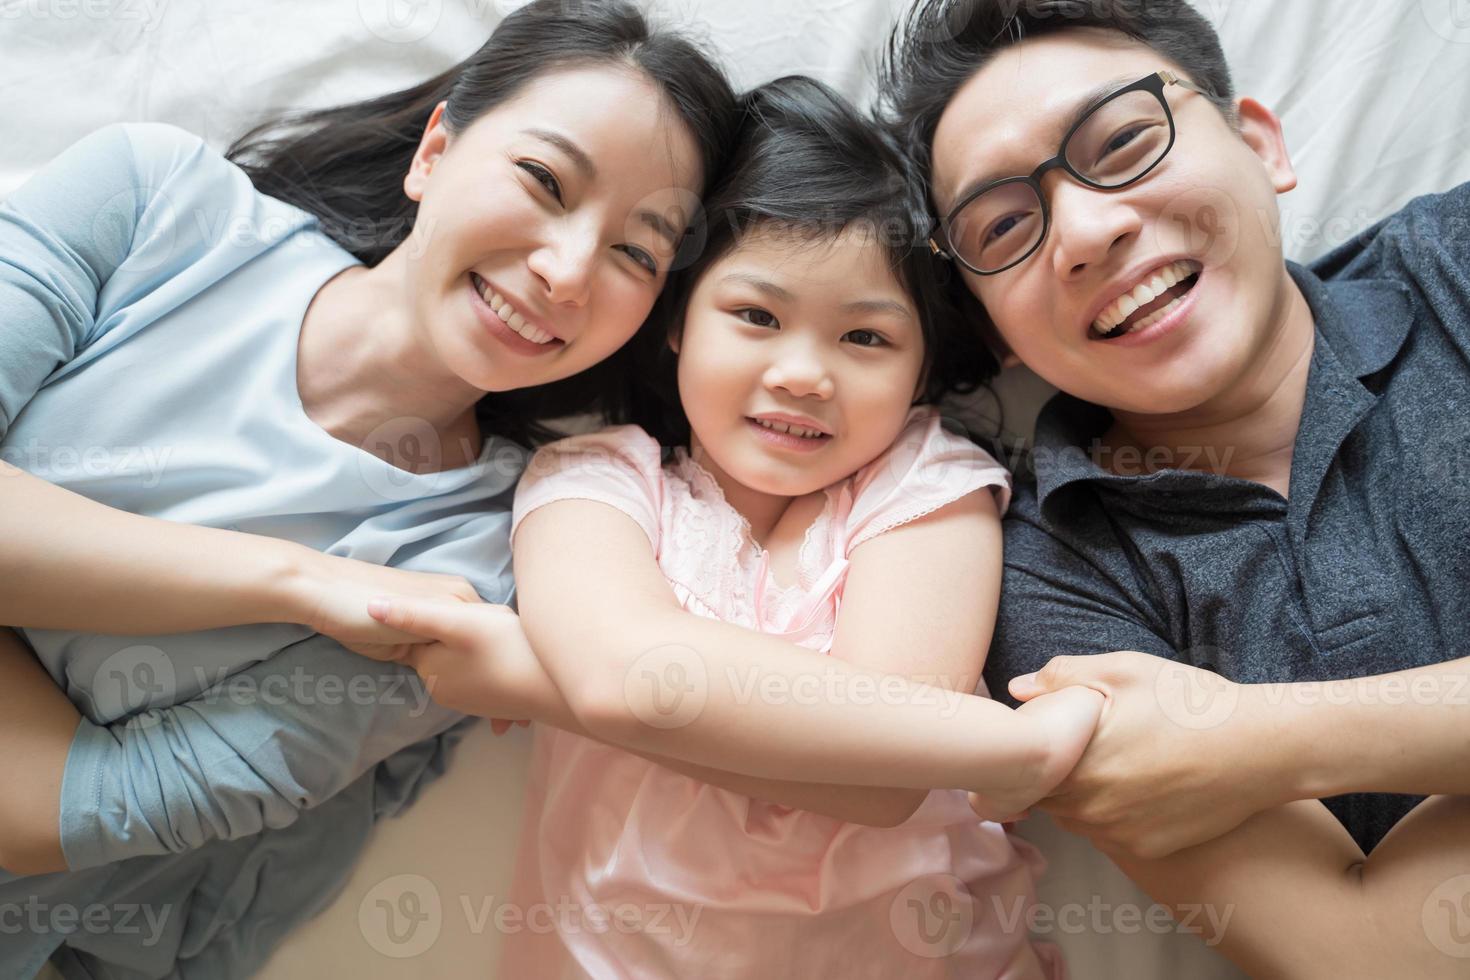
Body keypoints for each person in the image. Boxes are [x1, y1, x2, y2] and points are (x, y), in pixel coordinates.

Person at [0, 2, 737, 976]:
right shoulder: (151, 201)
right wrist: (296, 583)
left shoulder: (478, 559)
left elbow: (62, 808)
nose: (566, 271)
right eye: (544, 179)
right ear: (436, 148)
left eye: (635, 252)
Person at [355, 75, 1105, 978]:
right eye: (755, 316)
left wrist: (530, 676)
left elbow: (884, 778)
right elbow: (622, 673)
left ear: (921, 370)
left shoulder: (929, 484)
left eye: (865, 339)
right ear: (676, 323)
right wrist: (998, 747)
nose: (802, 374)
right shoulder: (591, 481)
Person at [882, 0, 1470, 974]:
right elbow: (1378, 953)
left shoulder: (1456, 262)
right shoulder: (1054, 581)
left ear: (1259, 144)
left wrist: (1258, 740)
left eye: (1122, 142)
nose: (1083, 230)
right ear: (992, 329)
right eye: (1003, 224)